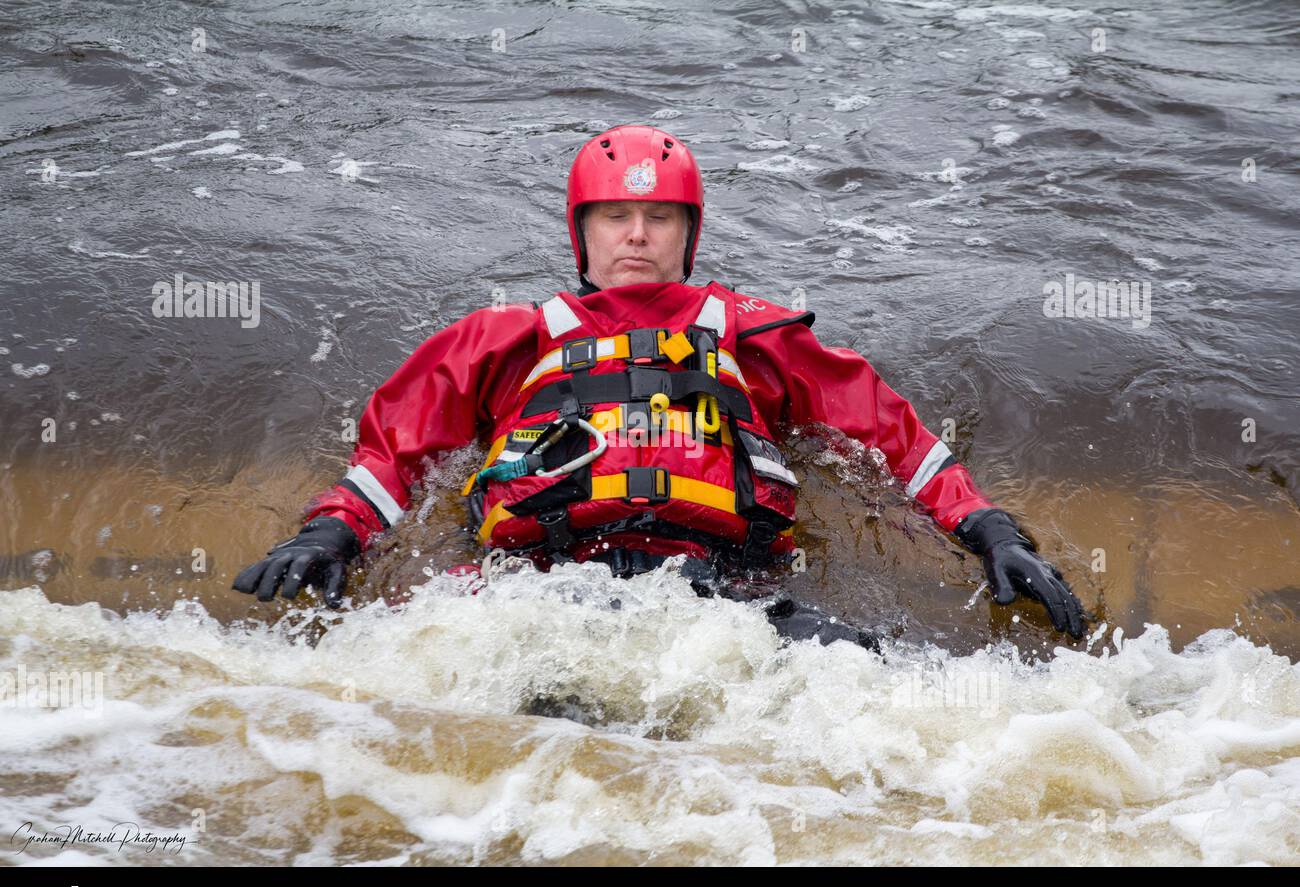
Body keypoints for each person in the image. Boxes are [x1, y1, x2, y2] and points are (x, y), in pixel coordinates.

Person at [233, 125, 1087, 645]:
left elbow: (895, 440)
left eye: (659, 217)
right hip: (535, 593)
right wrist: (333, 534)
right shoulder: (506, 337)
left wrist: (991, 531)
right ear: (583, 230)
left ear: (689, 230)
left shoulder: (759, 335)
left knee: (882, 682)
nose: (636, 235)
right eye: (615, 216)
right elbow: (395, 453)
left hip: (722, 605)